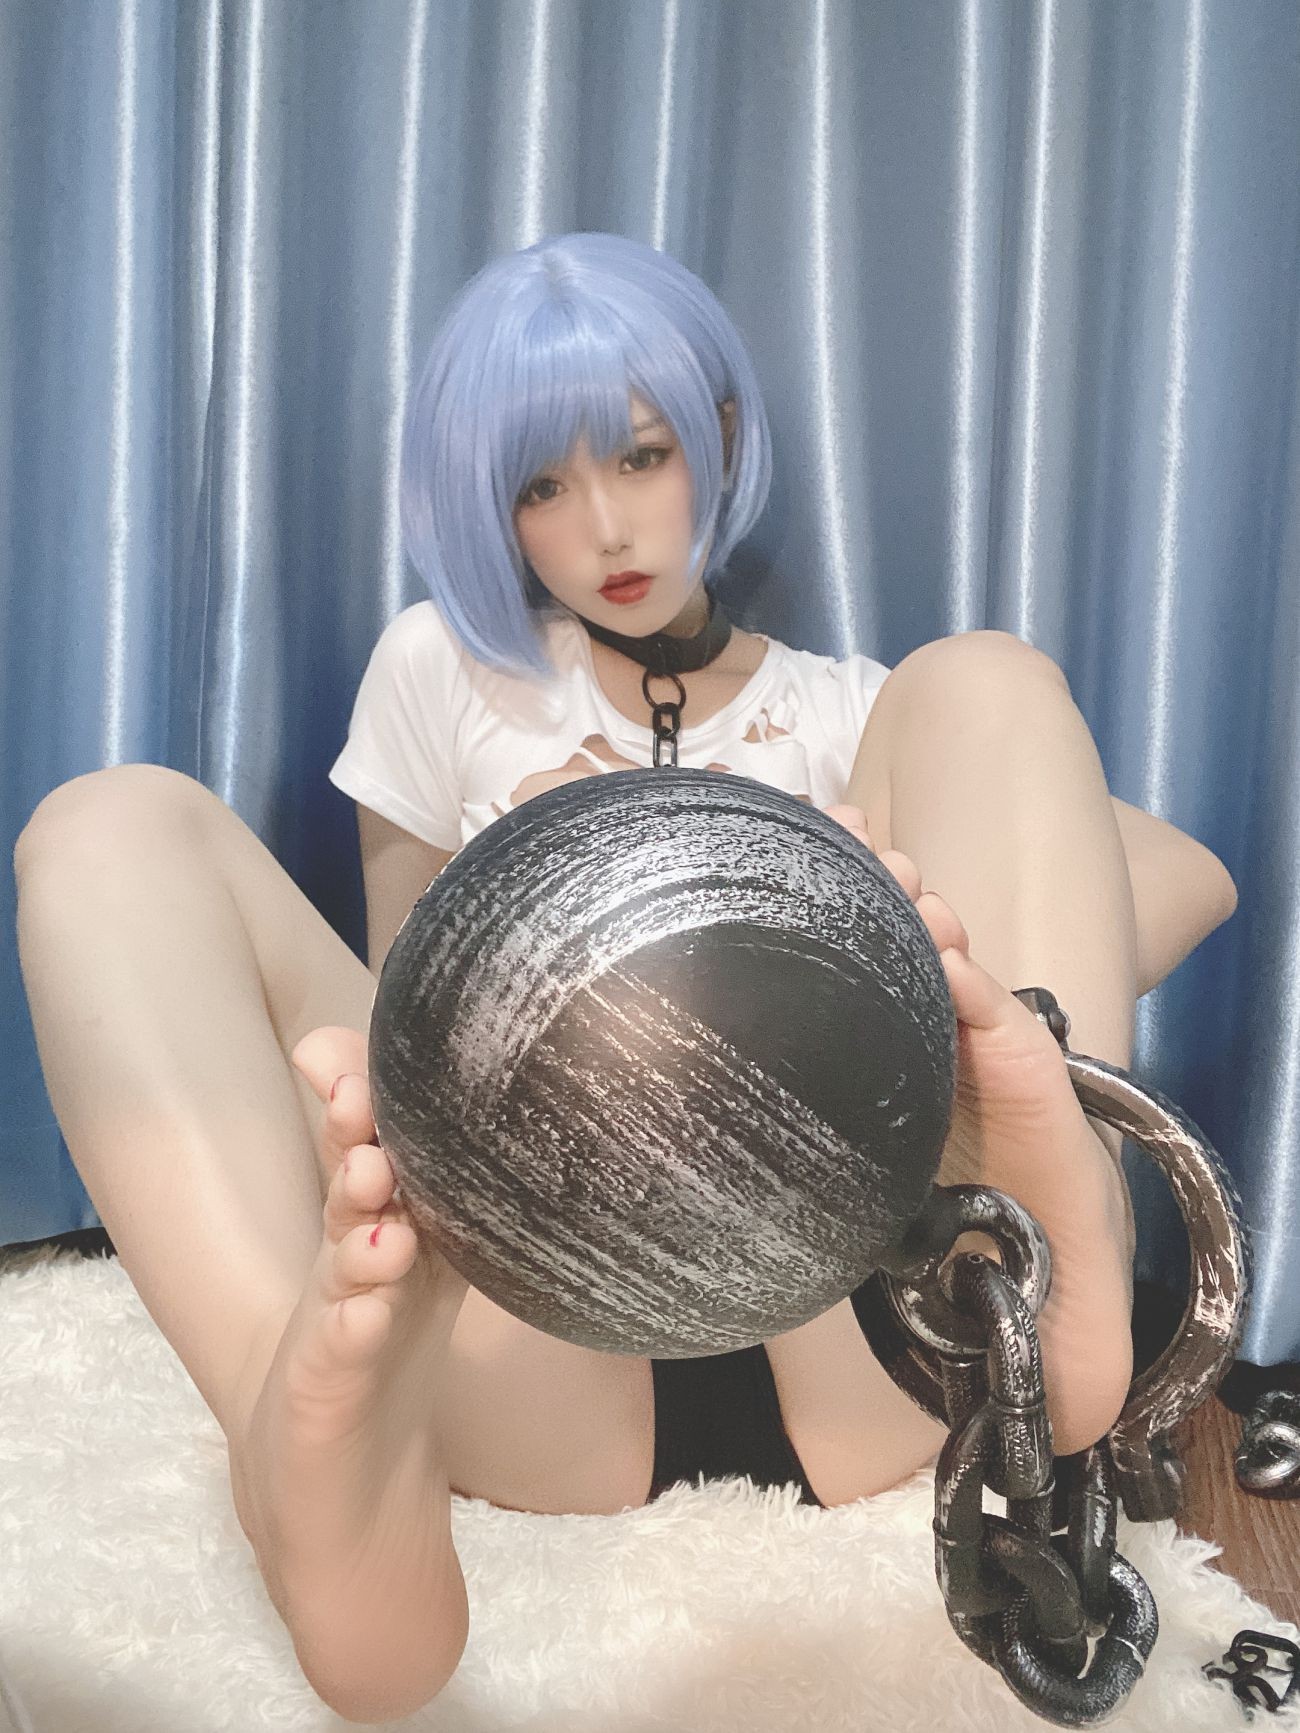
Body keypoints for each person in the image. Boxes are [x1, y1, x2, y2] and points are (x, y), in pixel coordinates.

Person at [12, 231, 1239, 1722]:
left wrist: (828, 892)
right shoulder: (448, 673)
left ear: (715, 437)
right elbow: (396, 1019)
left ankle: (1034, 1270)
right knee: (105, 829)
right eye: (541, 487)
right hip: (524, 1320)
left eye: (641, 457)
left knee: (983, 675)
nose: (604, 526)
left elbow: (1190, 881)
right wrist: (528, 905)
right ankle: (307, 1456)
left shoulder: (852, 717)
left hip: (865, 1314)